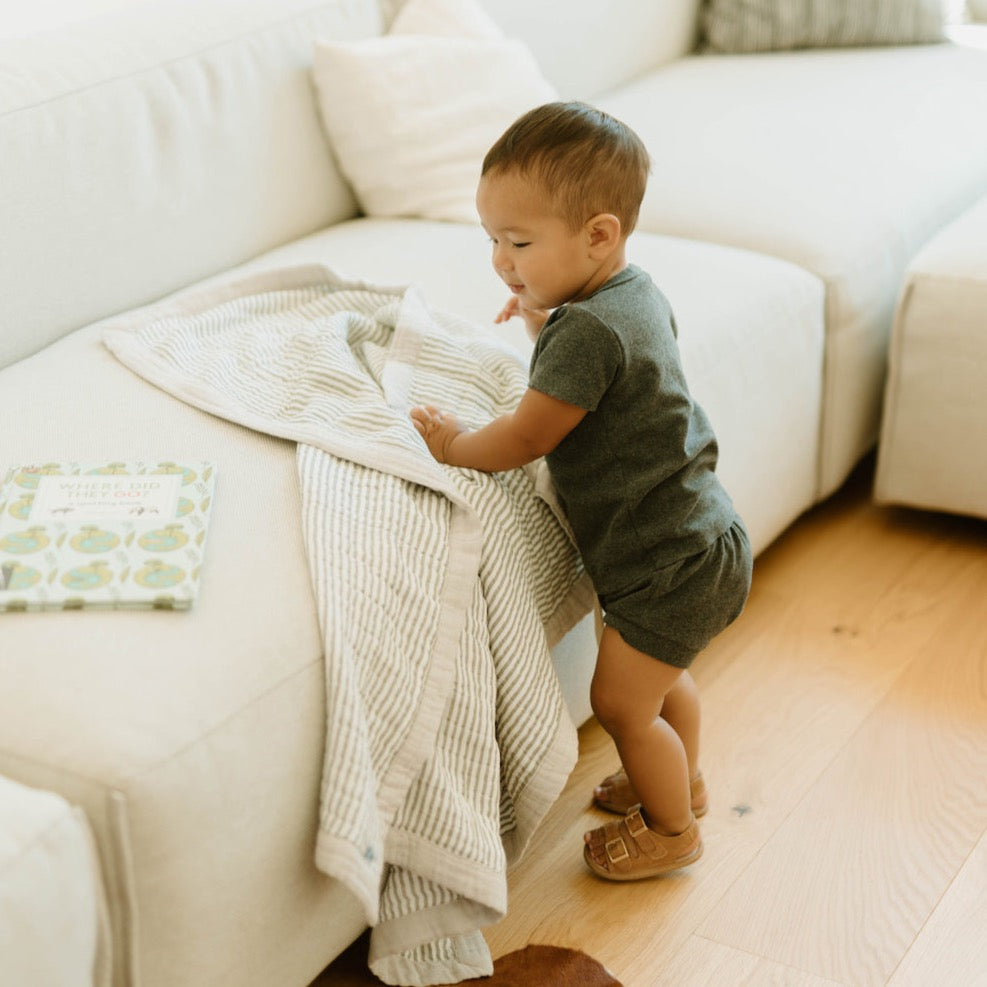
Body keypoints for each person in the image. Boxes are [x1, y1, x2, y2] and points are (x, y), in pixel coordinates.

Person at [410, 101, 752, 881]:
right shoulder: (628, 294)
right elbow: (574, 370)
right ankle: (678, 779)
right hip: (696, 539)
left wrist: (454, 443)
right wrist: (538, 310)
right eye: (492, 239)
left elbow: (530, 432)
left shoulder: (586, 332)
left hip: (663, 561)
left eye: (520, 242)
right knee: (665, 683)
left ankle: (671, 830)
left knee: (624, 705)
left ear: (598, 234)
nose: (501, 260)